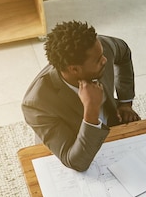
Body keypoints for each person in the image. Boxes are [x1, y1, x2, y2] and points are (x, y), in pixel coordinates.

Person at [22, 21, 140, 172]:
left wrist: (125, 102)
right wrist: (91, 108)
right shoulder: (36, 103)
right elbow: (76, 162)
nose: (105, 60)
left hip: (112, 125)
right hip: (72, 144)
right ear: (74, 69)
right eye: (98, 60)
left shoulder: (100, 48)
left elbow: (123, 52)